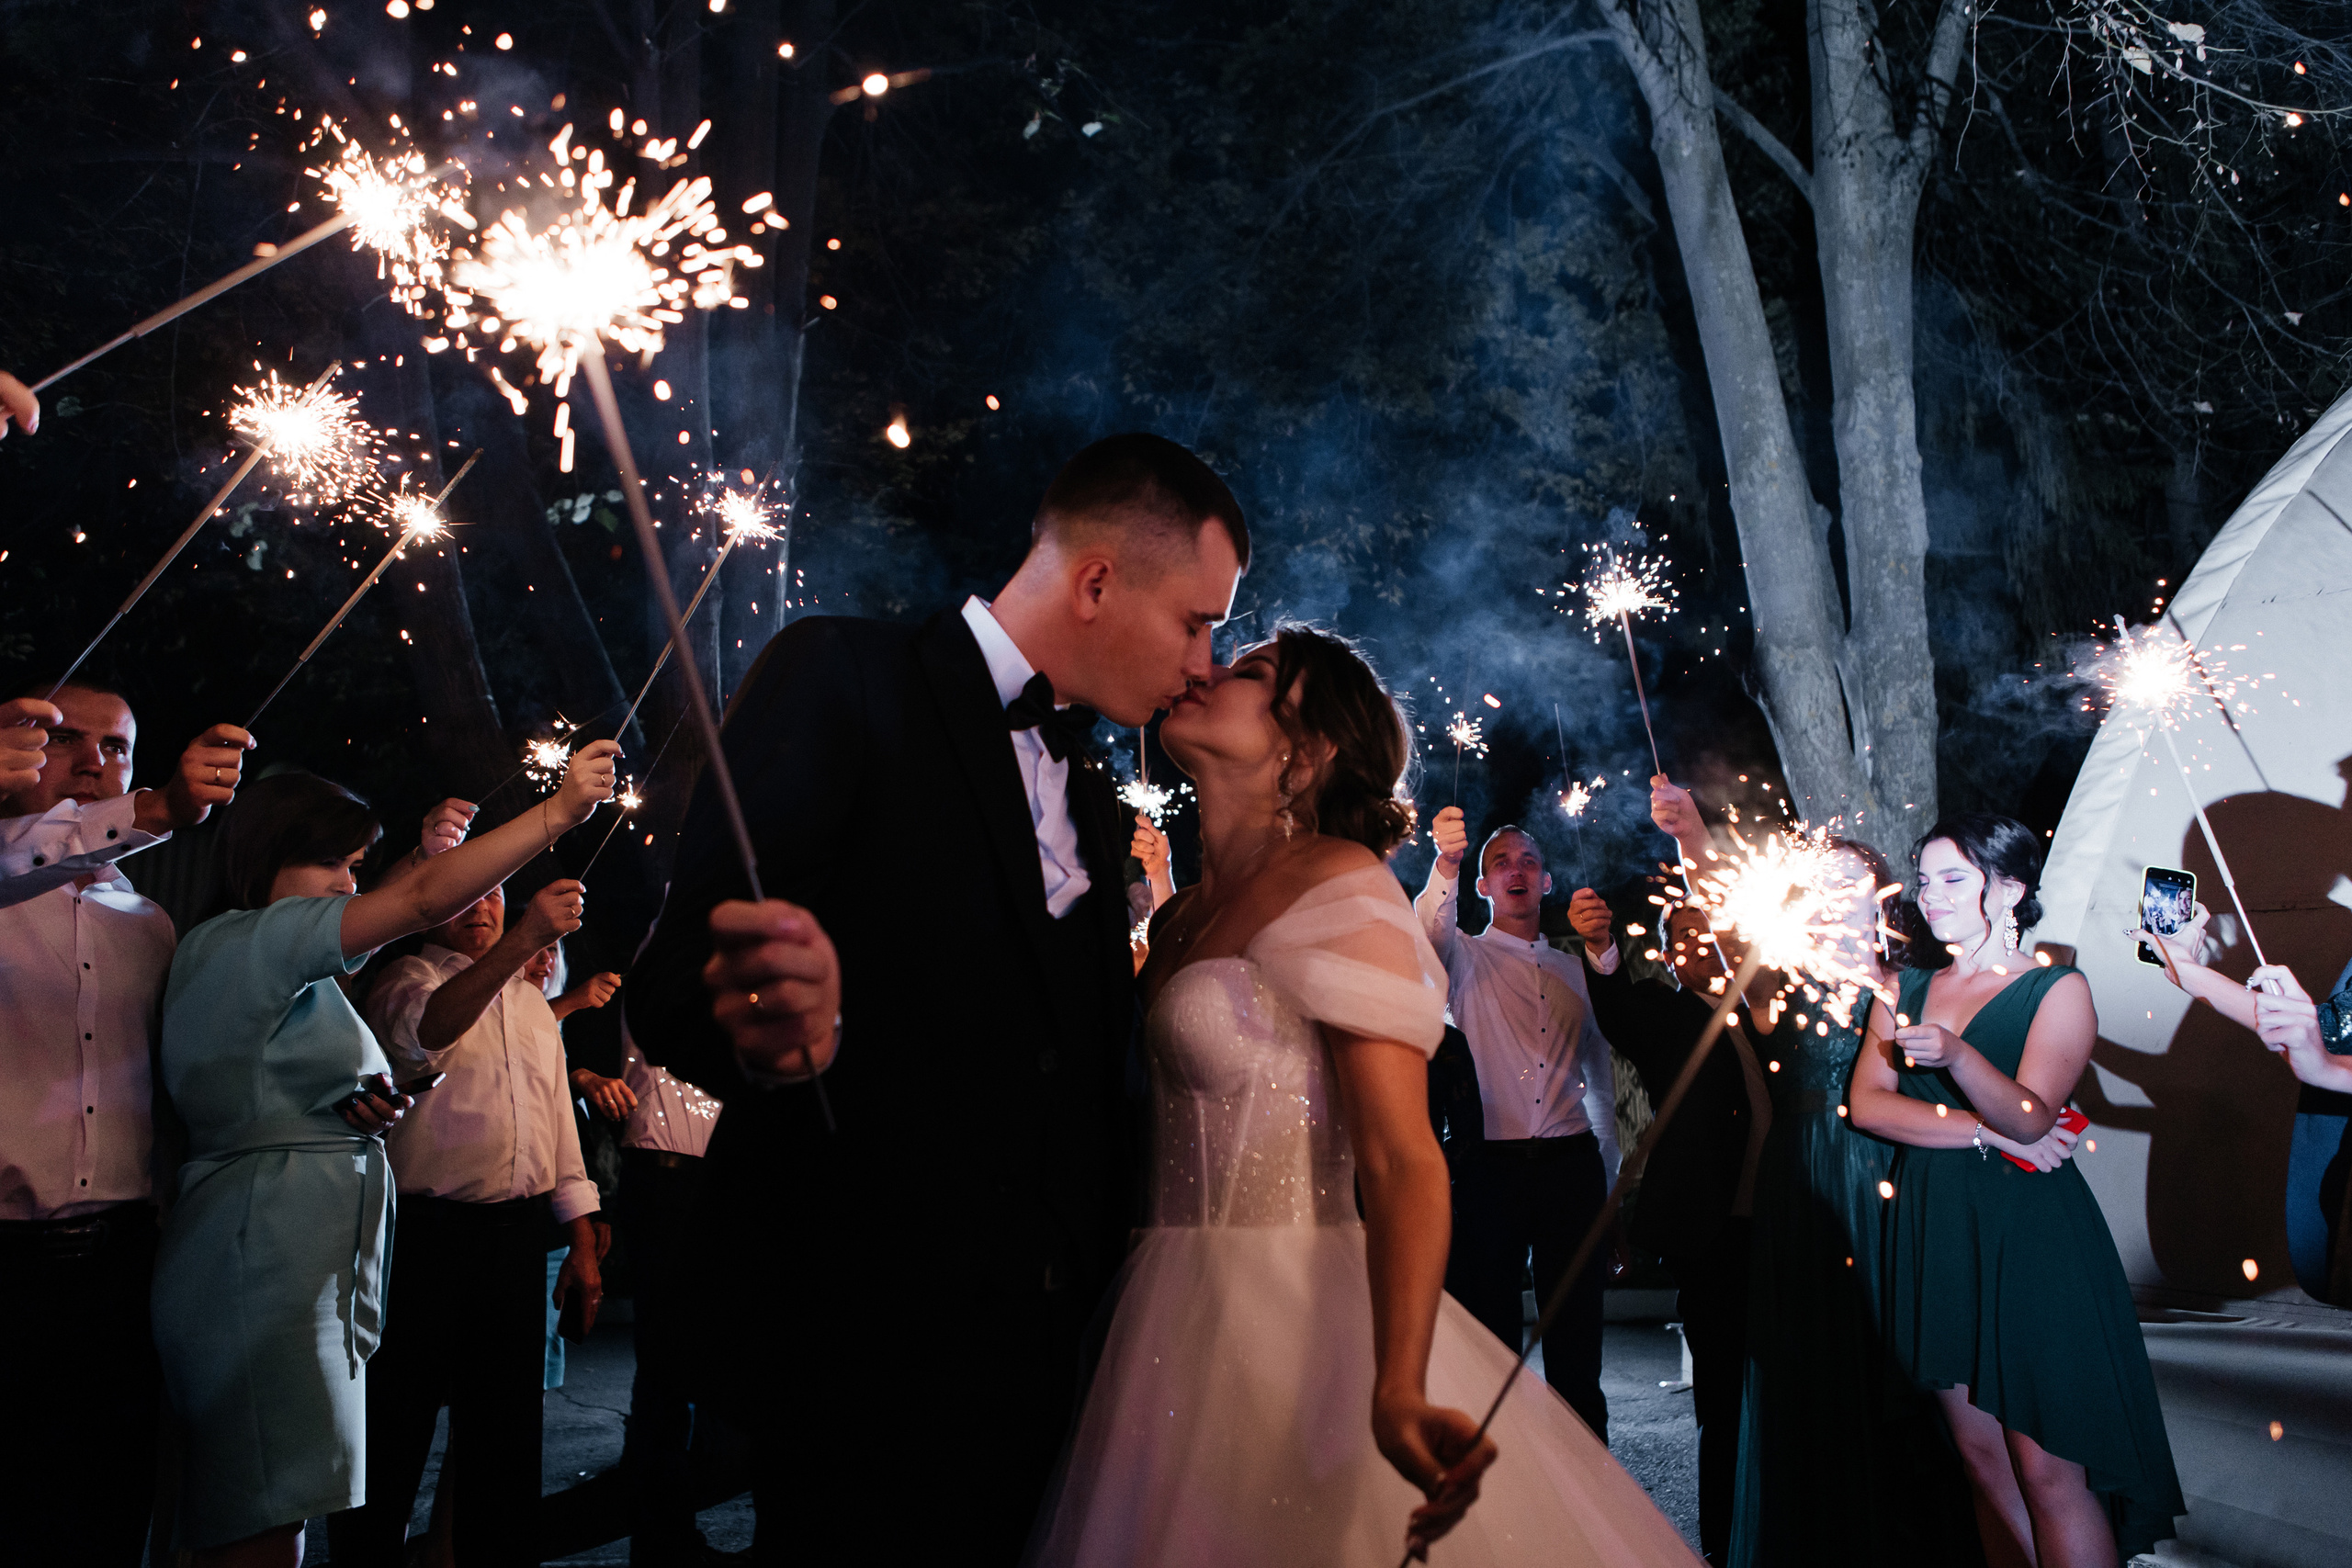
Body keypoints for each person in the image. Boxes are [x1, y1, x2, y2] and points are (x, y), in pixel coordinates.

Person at [628, 433, 1248, 1564]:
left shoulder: (1096, 795)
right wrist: (793, 1038)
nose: (1206, 665)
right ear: (1097, 582)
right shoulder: (845, 675)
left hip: (1052, 1379)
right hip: (860, 1359)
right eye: (1196, 622)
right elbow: (674, 987)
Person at [1023, 625, 1701, 1564]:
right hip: (1156, 1309)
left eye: (1252, 671)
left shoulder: (1337, 882)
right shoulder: (1177, 919)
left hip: (1292, 1310)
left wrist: (1400, 1382)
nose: (1208, 668)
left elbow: (1398, 1153)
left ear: (1305, 753)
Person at [151, 741, 616, 1568]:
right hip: (270, 1252)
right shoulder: (260, 938)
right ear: (266, 853)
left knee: (281, 1501)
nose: (348, 886)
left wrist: (351, 1110)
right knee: (266, 1506)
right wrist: (559, 811)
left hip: (311, 1248)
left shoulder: (275, 965)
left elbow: (265, 1087)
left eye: (357, 867)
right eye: (330, 862)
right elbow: (420, 904)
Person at [1850, 814, 2184, 1568]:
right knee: (1983, 1462)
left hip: (2028, 1235)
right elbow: (1868, 1106)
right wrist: (1981, 1132)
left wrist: (1959, 1058)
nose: (1930, 895)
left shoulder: (2056, 987)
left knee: (2048, 1468)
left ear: (2008, 888)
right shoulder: (1901, 987)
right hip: (1935, 1230)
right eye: (1925, 879)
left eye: (1953, 878)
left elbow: (2031, 1117)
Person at [1727, 838, 2041, 1567]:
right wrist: (1688, 837)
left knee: (1903, 1362)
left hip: (1894, 1174)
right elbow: (1724, 914)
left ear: (1881, 897)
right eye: (1821, 884)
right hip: (1806, 1186)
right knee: (1812, 1363)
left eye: (1851, 882)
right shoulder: (1775, 982)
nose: (1835, 897)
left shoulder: (1914, 984)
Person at [0, 682, 247, 1568]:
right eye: (65, 737)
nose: (92, 761)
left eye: (116, 747)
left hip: (119, 1265)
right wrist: (163, 808)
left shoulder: (149, 923)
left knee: (107, 1503)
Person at [334, 878, 608, 1568]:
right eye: (464, 894)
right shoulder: (406, 980)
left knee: (506, 1435)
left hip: (516, 1239)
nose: (480, 907)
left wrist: (581, 1237)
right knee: (396, 1423)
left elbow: (559, 1135)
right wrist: (526, 939)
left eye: (493, 894)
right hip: (426, 1236)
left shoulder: (532, 1004)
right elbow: (427, 1034)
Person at [1566, 775, 1770, 1565]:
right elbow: (1616, 1007)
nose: (1694, 944)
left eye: (1704, 930)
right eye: (1678, 936)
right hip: (1710, 1226)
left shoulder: (1770, 1003)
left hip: (1790, 1215)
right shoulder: (1663, 1012)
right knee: (1722, 1392)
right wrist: (1599, 948)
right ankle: (1723, 1542)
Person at [1415, 806, 1622, 1438]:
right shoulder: (1464, 956)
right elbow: (1430, 928)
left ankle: (1587, 1478)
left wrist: (1609, 1192)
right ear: (1483, 885)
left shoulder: (1575, 972)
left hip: (1571, 1167)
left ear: (1547, 881)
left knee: (1577, 1350)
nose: (1517, 871)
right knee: (1491, 1345)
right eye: (1501, 862)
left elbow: (1601, 1090)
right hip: (1490, 1172)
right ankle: (1496, 1475)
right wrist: (1447, 863)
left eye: (1529, 861)